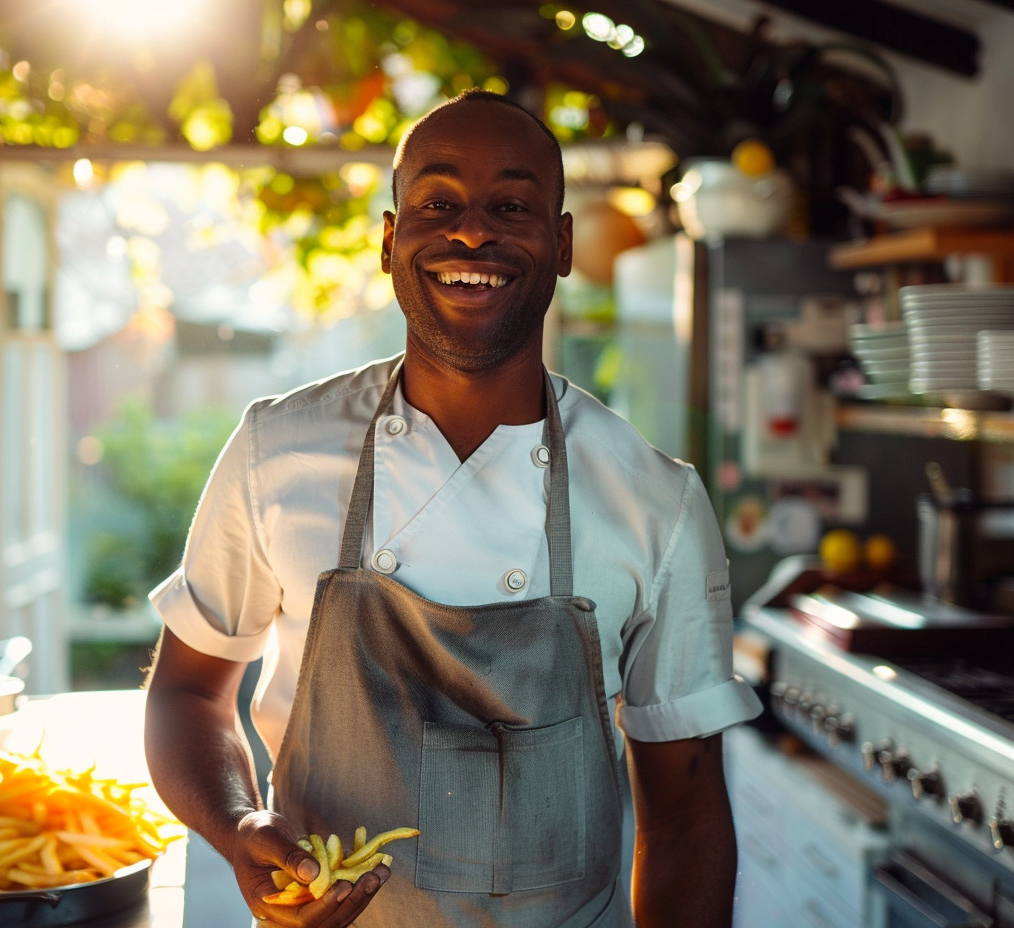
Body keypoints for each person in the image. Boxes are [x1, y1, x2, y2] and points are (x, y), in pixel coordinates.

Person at [144, 88, 762, 928]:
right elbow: (186, 694)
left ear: (563, 242)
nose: (472, 232)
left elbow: (685, 810)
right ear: (391, 240)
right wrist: (235, 822)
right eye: (438, 204)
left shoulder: (657, 500)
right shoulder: (275, 451)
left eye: (511, 204)